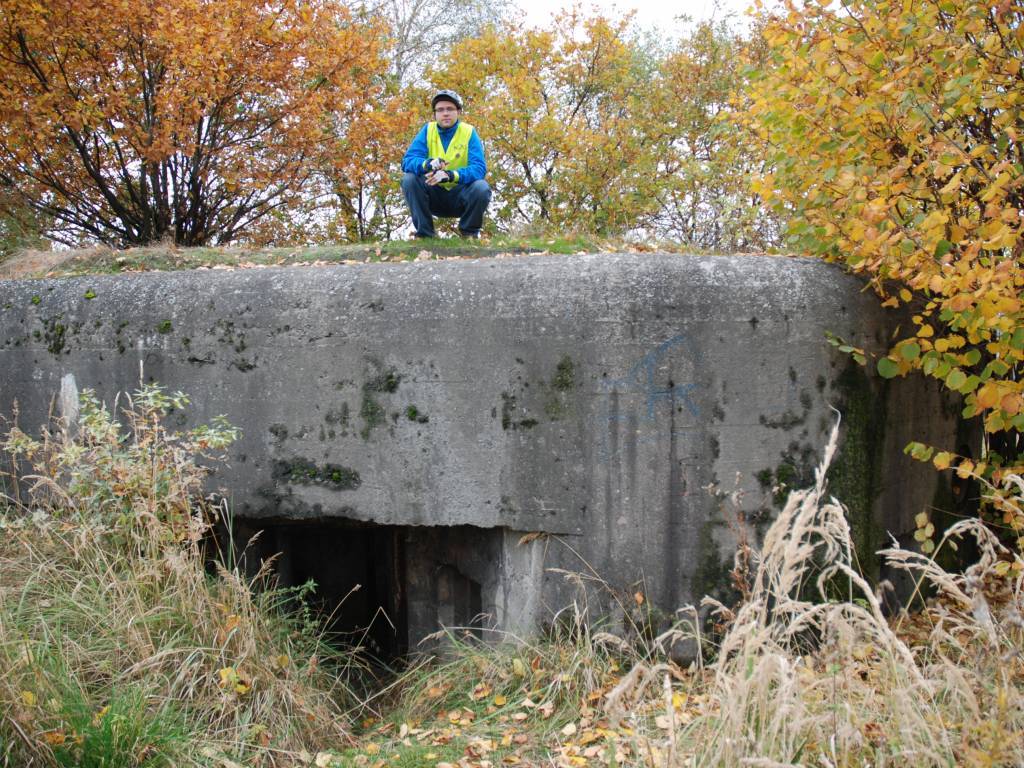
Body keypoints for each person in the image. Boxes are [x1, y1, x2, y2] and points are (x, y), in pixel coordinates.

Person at [401, 89, 491, 239]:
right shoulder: (428, 130)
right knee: (409, 179)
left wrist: (450, 175)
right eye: (440, 110)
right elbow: (407, 161)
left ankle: (469, 235)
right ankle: (425, 235)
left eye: (450, 109)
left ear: (458, 111)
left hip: (461, 196)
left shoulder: (469, 132)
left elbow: (479, 168)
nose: (445, 113)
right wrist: (427, 164)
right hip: (433, 194)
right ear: (435, 114)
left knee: (481, 187)